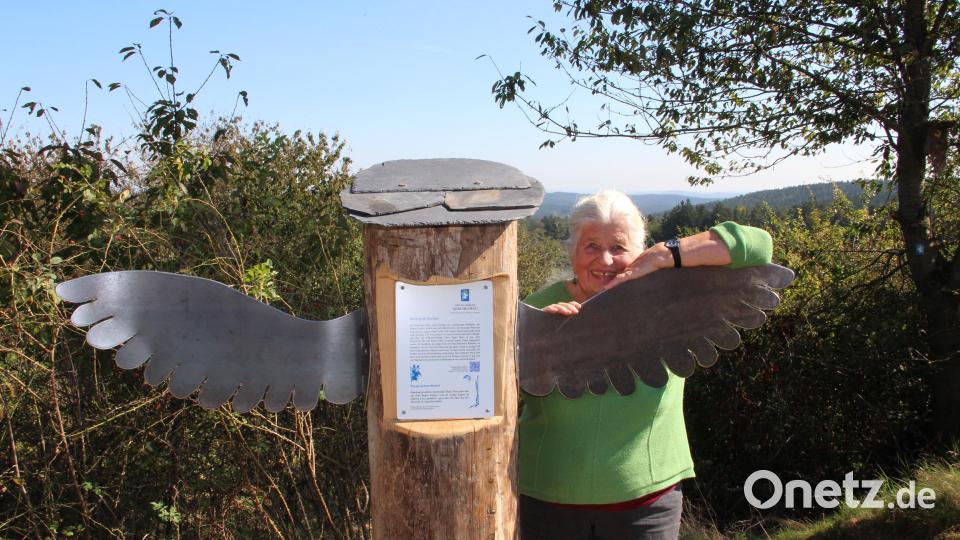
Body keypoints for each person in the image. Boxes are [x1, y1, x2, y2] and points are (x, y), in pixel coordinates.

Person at [519, 190, 772, 540]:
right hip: (545, 502)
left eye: (619, 247)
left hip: (646, 506)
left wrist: (669, 253)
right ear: (572, 251)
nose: (605, 259)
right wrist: (540, 339)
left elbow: (759, 246)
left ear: (640, 253)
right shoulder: (537, 307)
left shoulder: (670, 302)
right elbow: (493, 392)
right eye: (591, 246)